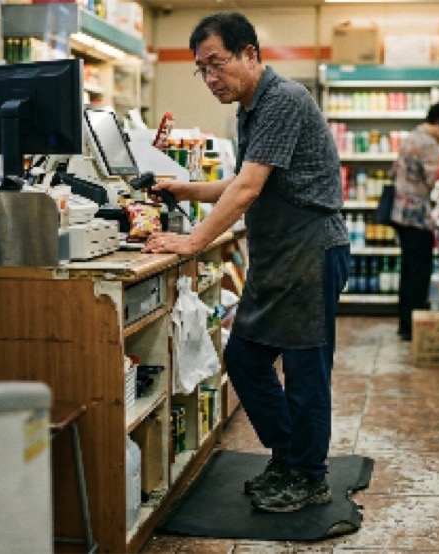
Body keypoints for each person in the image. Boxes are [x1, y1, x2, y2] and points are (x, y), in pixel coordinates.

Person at [142, 12, 350, 513]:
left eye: (217, 64)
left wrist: (192, 242)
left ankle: (309, 476)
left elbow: (249, 189)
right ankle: (289, 456)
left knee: (304, 372)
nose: (211, 78)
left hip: (310, 251)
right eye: (202, 69)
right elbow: (243, 181)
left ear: (251, 54)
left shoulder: (282, 100)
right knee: (244, 358)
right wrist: (184, 187)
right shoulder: (250, 105)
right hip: (281, 254)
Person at [392, 100, 439, 341]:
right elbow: (433, 180)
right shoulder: (430, 144)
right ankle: (415, 325)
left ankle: (405, 323)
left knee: (408, 269)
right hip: (418, 215)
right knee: (420, 271)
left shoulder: (410, 137)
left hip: (400, 211)